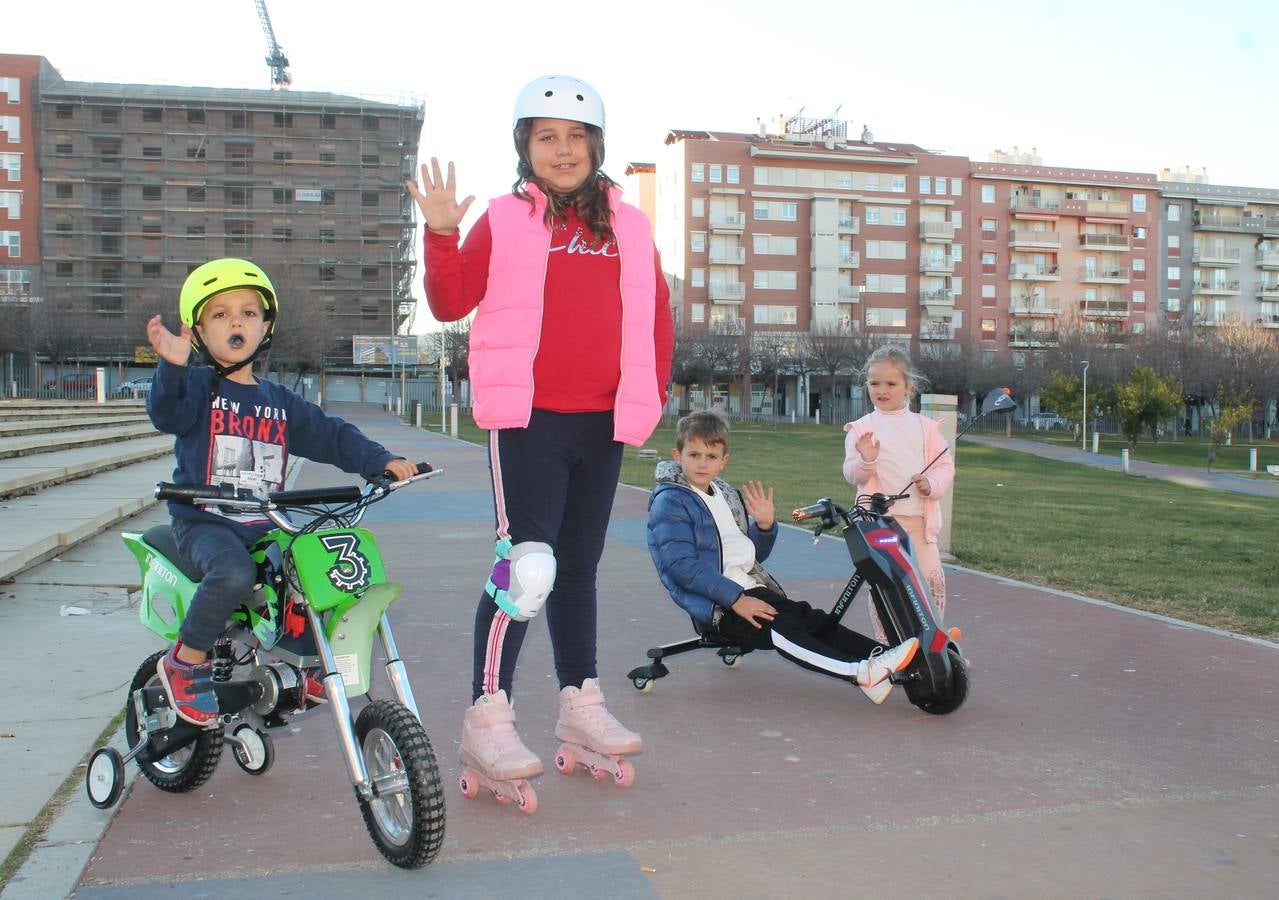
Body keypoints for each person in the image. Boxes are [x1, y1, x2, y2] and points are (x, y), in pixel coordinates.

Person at [407, 75, 674, 796]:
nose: (563, 149)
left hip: (603, 420)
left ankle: (580, 702)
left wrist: (646, 399)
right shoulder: (505, 218)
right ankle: (487, 713)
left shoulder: (631, 226)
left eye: (577, 137)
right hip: (528, 419)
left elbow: (656, 318)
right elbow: (450, 298)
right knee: (527, 568)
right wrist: (440, 231)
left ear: (597, 147)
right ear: (525, 147)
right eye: (547, 136)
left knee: (580, 568)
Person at [145, 258, 418, 726]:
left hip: (263, 521)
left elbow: (331, 435)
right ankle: (184, 662)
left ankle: (312, 664)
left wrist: (379, 461)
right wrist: (172, 366)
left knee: (319, 565)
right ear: (199, 330)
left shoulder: (279, 401)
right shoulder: (194, 386)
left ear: (265, 326)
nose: (236, 321)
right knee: (231, 572)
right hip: (205, 521)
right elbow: (166, 414)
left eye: (248, 312)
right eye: (220, 313)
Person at [646, 411, 919, 703]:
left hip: (749, 590)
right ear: (678, 455)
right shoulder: (671, 501)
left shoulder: (724, 495)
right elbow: (680, 566)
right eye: (694, 454)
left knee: (812, 620)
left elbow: (746, 557)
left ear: (724, 460)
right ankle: (861, 673)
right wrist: (735, 599)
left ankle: (884, 658)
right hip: (718, 606)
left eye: (711, 456)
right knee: (784, 630)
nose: (702, 463)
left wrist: (764, 527)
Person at [843, 345, 954, 617]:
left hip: (919, 524)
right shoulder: (860, 430)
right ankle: (889, 644)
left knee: (932, 583)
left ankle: (934, 642)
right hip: (880, 526)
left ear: (909, 387)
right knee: (887, 588)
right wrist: (866, 460)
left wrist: (931, 483)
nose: (882, 390)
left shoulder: (925, 428)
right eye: (874, 383)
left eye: (891, 383)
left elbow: (944, 465)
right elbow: (851, 474)